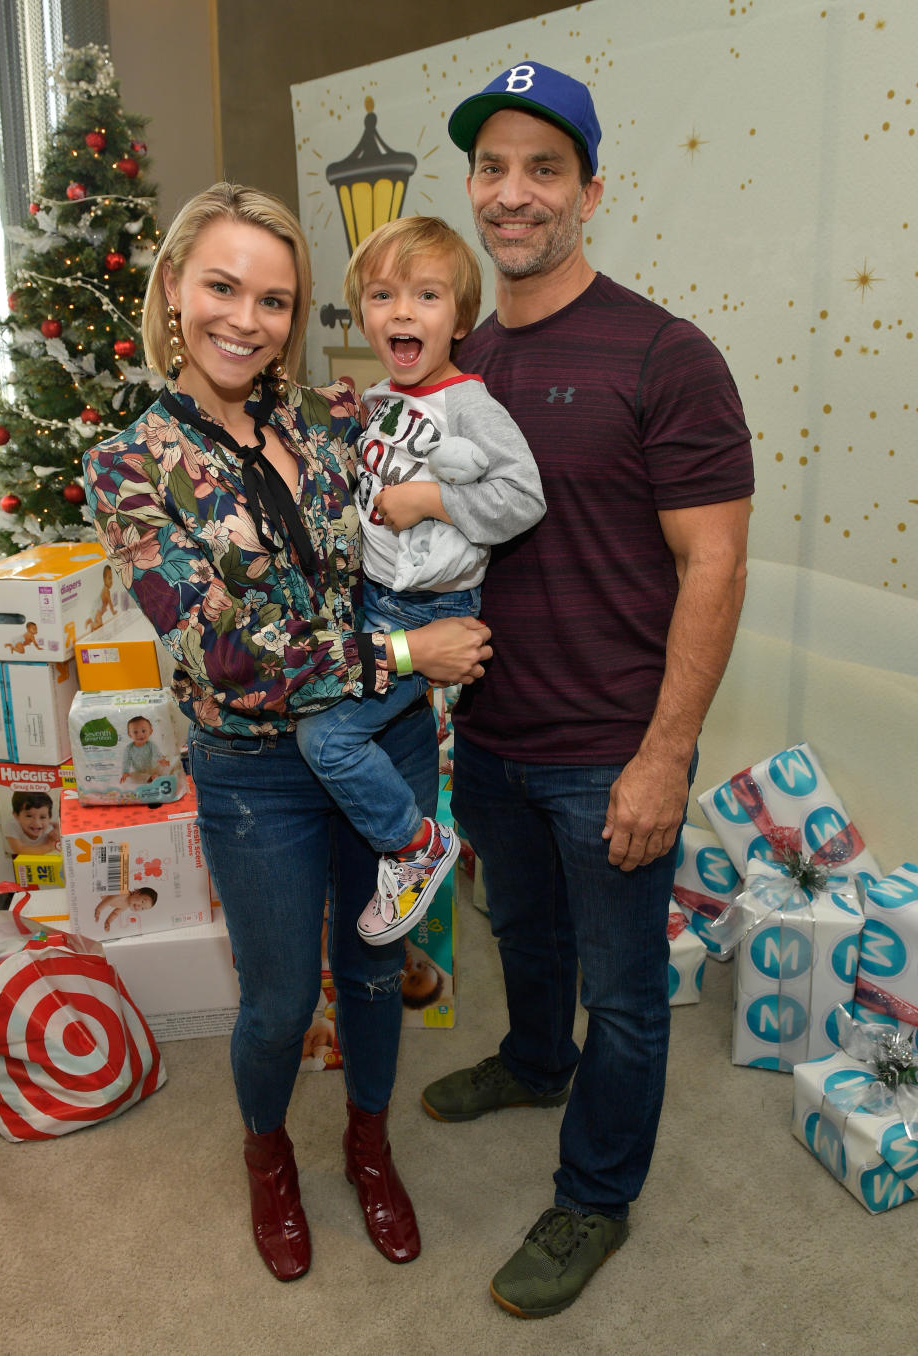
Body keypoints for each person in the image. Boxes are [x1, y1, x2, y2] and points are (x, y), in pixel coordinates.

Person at [83, 183, 491, 1284]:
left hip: (386, 742)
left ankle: (367, 1143)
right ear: (174, 288)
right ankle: (268, 1159)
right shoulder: (128, 463)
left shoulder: (333, 417)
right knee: (277, 1000)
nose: (245, 319)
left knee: (374, 968)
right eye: (222, 286)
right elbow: (225, 653)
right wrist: (409, 653)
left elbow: (455, 460)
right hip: (253, 771)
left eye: (274, 298)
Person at [421, 63, 755, 1319]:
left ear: (590, 192)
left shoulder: (666, 354)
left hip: (609, 745)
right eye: (493, 169)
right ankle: (528, 1058)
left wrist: (664, 755)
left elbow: (713, 563)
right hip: (492, 730)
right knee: (527, 933)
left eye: (543, 170)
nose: (514, 195)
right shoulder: (460, 360)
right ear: (472, 187)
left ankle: (596, 1197)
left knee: (625, 991)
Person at [294, 216, 544, 947]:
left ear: (459, 318)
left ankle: (415, 845)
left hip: (427, 611)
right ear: (364, 314)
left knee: (327, 740)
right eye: (383, 295)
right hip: (375, 604)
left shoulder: (467, 401)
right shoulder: (375, 402)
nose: (403, 311)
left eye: (427, 295)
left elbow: (524, 497)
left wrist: (430, 500)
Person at [3, 790, 60, 858]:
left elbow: (57, 824)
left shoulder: (49, 830)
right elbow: (20, 849)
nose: (36, 823)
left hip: (43, 858)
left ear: (49, 817)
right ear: (16, 815)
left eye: (42, 817)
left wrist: (57, 829)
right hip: (18, 857)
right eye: (29, 816)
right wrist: (49, 846)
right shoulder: (12, 825)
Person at [120, 715, 170, 785]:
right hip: (140, 772)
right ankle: (150, 778)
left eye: (143, 731)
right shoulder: (129, 748)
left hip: (153, 769)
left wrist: (162, 760)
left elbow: (157, 753)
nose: (140, 735)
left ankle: (156, 776)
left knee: (166, 766)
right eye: (135, 732)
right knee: (131, 776)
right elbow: (126, 761)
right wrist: (125, 772)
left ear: (150, 731)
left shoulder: (151, 745)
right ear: (129, 734)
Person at [85, 564, 117, 631]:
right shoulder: (106, 590)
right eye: (109, 578)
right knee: (100, 624)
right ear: (104, 579)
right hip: (98, 610)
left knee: (100, 625)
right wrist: (113, 611)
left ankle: (91, 621)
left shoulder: (105, 589)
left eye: (112, 578)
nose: (111, 581)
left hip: (98, 610)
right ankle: (92, 624)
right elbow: (110, 602)